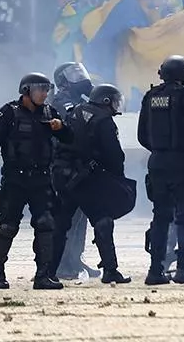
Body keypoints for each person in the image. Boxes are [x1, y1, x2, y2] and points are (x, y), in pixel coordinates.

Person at [0, 73, 65, 290]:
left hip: (41, 179)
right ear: (27, 90)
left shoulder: (49, 113)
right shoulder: (9, 112)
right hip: (15, 179)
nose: (45, 94)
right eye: (40, 89)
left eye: (47, 89)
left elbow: (69, 138)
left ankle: (43, 275)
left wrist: (61, 128)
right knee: (8, 225)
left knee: (46, 224)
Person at [50, 84, 132, 284]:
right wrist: (116, 177)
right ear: (105, 101)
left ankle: (48, 271)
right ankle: (111, 271)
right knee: (103, 221)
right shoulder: (104, 121)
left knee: (61, 225)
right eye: (114, 100)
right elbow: (114, 154)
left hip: (65, 176)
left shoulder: (77, 111)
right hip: (86, 179)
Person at [138, 56, 184, 286]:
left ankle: (155, 270)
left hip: (157, 162)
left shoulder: (150, 96)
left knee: (160, 217)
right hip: (182, 162)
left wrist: (160, 149)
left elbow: (142, 134)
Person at [47, 62, 100, 281]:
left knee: (81, 217)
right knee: (66, 217)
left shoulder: (79, 102)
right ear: (63, 81)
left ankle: (74, 258)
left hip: (79, 166)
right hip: (64, 166)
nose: (82, 79)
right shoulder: (61, 102)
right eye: (75, 75)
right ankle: (61, 263)